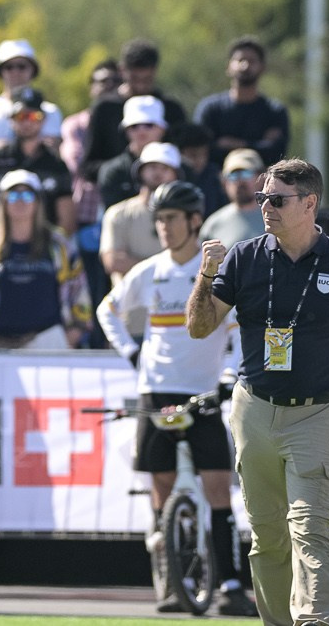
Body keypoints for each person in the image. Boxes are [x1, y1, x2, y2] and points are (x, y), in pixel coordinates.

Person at [189, 159, 329, 626]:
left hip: (316, 414)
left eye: (277, 199)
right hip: (254, 410)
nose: (265, 207)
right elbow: (200, 327)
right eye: (263, 198)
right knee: (267, 536)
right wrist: (205, 275)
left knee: (310, 529)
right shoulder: (243, 257)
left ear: (309, 203)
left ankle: (314, 622)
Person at [96, 181, 251, 617]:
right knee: (160, 492)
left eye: (171, 219)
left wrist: (226, 377)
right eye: (159, 220)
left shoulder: (216, 272)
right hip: (157, 390)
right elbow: (107, 310)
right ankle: (167, 583)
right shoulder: (148, 271)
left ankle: (231, 585)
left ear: (194, 221)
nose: (163, 228)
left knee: (218, 488)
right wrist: (130, 351)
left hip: (202, 391)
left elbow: (236, 333)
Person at [0, 171, 92, 349]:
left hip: (47, 340)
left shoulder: (57, 242)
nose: (21, 202)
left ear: (38, 202)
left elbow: (79, 288)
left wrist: (73, 334)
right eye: (13, 195)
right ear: (3, 202)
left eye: (27, 195)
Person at [102, 142, 183, 340]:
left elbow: (190, 263)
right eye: (153, 167)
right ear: (140, 171)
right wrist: (168, 272)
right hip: (130, 322)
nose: (158, 173)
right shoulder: (118, 214)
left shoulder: (186, 216)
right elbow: (113, 262)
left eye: (165, 168)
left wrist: (137, 265)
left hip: (174, 321)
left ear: (176, 174)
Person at [0, 85, 74, 235]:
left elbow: (66, 220)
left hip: (44, 246)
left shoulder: (56, 165)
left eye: (34, 116)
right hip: (1, 245)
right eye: (20, 116)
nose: (27, 122)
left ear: (43, 120)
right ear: (10, 119)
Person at [194, 37, 291, 177]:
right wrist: (258, 145)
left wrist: (230, 144)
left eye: (252, 61)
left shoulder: (274, 111)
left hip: (260, 185)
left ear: (262, 67)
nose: (245, 66)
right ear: (229, 66)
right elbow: (203, 152)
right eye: (240, 60)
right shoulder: (210, 109)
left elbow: (275, 154)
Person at [85, 39, 189, 169]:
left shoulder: (171, 109)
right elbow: (90, 164)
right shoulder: (105, 109)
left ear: (155, 71)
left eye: (146, 79)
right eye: (135, 78)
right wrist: (120, 172)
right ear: (122, 71)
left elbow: (184, 156)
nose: (140, 85)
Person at [0, 39, 57, 168]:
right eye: (9, 67)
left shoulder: (50, 111)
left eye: (22, 66)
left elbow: (55, 153)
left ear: (33, 69)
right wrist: (1, 152)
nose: (15, 72)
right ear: (0, 71)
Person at [99, 96, 171, 209]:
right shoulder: (112, 171)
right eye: (134, 126)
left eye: (149, 125)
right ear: (126, 130)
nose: (141, 130)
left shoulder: (181, 167)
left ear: (162, 129)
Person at [63, 59, 123, 177]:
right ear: (91, 87)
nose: (109, 86)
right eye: (103, 81)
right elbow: (75, 161)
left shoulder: (129, 124)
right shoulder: (74, 124)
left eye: (116, 81)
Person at [200, 150, 266, 248]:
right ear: (224, 182)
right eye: (233, 175)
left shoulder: (277, 217)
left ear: (262, 178)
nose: (240, 181)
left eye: (246, 173)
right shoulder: (213, 225)